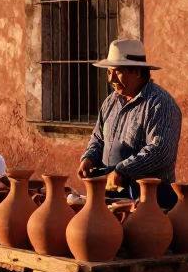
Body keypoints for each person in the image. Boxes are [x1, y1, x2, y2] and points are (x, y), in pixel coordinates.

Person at [77, 38, 182, 210]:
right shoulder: (110, 102)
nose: (111, 79)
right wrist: (89, 157)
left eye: (117, 72)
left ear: (137, 72)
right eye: (108, 72)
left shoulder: (159, 104)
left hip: (151, 201)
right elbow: (98, 137)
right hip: (111, 196)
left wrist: (122, 171)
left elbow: (161, 151)